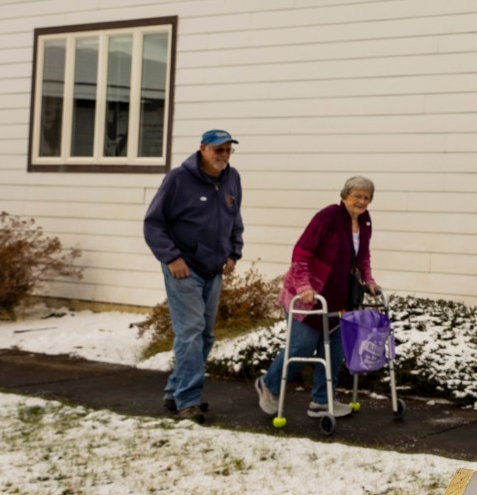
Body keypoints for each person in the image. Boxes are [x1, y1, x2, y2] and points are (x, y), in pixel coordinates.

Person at [143, 129, 244, 420]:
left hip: (213, 268)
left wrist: (233, 253)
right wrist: (171, 257)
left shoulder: (232, 178)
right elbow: (153, 224)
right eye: (218, 150)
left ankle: (175, 391)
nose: (223, 156)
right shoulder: (178, 179)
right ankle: (188, 400)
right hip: (183, 268)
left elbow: (234, 218)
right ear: (202, 149)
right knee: (190, 333)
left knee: (207, 335)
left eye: (228, 150)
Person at [259, 176, 379, 420]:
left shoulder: (365, 222)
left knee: (334, 351)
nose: (361, 201)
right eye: (357, 195)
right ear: (344, 195)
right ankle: (268, 385)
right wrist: (303, 285)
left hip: (340, 297)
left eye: (366, 197)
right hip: (309, 296)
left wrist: (369, 281)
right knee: (301, 346)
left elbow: (363, 257)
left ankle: (322, 401)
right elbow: (301, 251)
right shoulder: (328, 217)